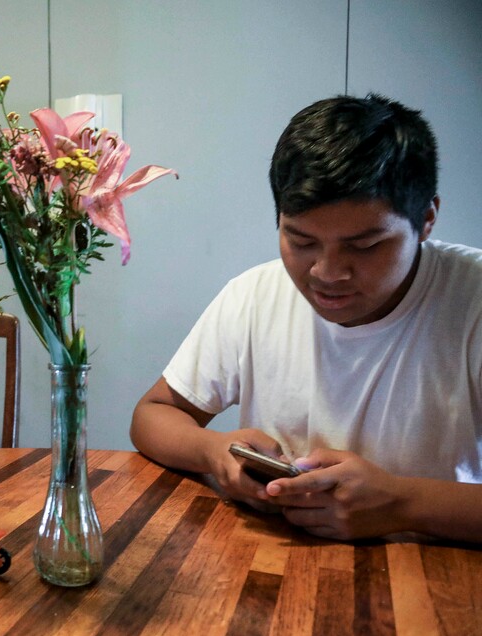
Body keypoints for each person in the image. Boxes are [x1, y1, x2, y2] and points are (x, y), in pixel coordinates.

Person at [130, 93, 482, 543]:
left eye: (366, 246)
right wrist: (214, 451)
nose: (327, 273)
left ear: (427, 218)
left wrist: (401, 504)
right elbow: (153, 415)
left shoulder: (471, 301)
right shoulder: (254, 295)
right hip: (272, 560)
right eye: (301, 241)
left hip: (434, 571)